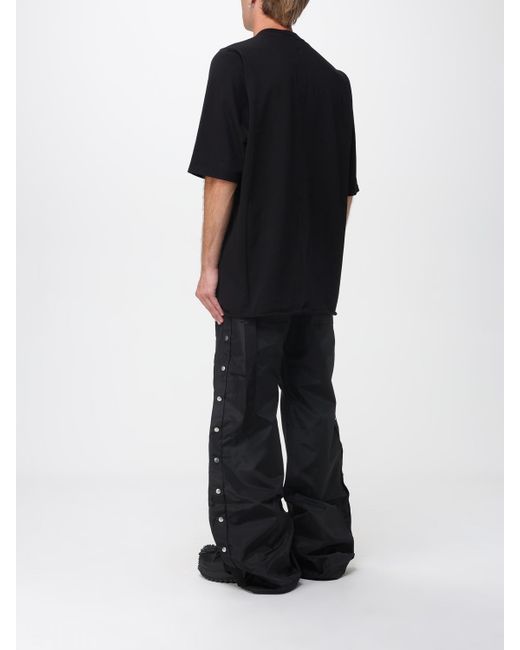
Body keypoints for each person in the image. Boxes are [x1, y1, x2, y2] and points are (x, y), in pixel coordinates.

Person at [188, 0, 359, 595]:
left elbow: (221, 175)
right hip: (315, 280)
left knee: (248, 412)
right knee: (313, 407)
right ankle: (323, 547)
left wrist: (209, 266)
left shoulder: (235, 64)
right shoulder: (333, 81)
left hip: (254, 276)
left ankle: (258, 557)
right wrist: (321, 267)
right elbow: (343, 192)